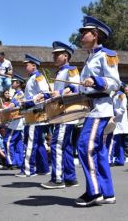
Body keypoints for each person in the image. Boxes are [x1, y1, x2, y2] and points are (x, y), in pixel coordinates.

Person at [75, 16, 121, 206]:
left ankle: (94, 192)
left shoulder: (106, 55)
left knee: (85, 146)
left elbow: (115, 83)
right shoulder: (90, 57)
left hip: (99, 109)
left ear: (94, 35)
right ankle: (107, 192)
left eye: (84, 32)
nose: (81, 35)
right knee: (99, 150)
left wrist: (96, 81)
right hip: (92, 108)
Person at [41, 41, 79, 189]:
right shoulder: (59, 73)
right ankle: (70, 178)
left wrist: (61, 92)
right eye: (54, 54)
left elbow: (75, 87)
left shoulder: (71, 70)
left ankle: (57, 179)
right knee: (66, 146)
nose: (54, 57)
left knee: (56, 144)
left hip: (66, 114)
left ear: (66, 55)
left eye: (57, 54)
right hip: (61, 114)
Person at [16, 54, 50, 177]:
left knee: (30, 142)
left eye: (27, 65)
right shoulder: (31, 78)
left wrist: (28, 101)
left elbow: (45, 94)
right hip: (33, 113)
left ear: (34, 65)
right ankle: (43, 168)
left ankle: (28, 170)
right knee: (39, 142)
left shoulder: (38, 77)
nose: (25, 66)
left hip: (35, 113)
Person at [3, 75, 25, 170]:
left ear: (18, 83)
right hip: (18, 121)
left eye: (14, 82)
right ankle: (19, 162)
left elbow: (12, 106)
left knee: (7, 141)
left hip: (16, 122)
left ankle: (11, 162)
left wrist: (2, 108)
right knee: (18, 143)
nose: (12, 83)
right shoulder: (18, 93)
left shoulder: (19, 94)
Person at [105, 87, 128, 166]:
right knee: (118, 142)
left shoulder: (121, 95)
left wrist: (113, 114)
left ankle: (109, 160)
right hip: (117, 120)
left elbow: (122, 109)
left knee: (112, 140)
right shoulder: (113, 95)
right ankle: (120, 160)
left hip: (117, 120)